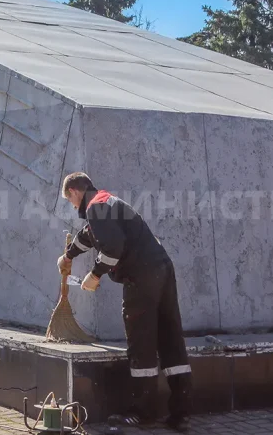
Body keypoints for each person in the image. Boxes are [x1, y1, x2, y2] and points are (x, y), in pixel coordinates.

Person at [57, 172, 191, 432]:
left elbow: (113, 248)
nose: (73, 206)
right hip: (161, 268)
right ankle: (181, 414)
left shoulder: (95, 207)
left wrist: (94, 275)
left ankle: (143, 413)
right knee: (170, 338)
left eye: (69, 200)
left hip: (140, 276)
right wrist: (68, 255)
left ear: (74, 191)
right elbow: (88, 235)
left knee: (141, 342)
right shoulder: (107, 202)